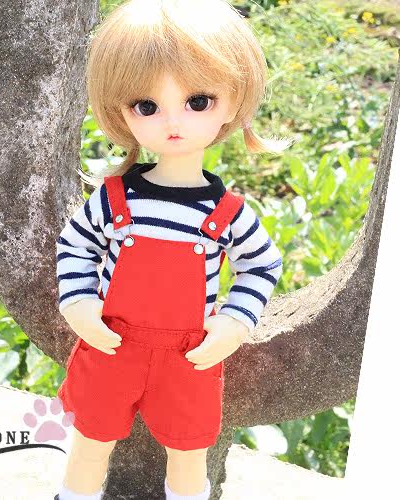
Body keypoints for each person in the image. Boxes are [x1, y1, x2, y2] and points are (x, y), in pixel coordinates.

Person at [55, 1, 290, 498]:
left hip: (189, 357)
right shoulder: (114, 199)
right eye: (147, 106)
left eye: (198, 101)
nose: (173, 121)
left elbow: (261, 263)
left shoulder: (227, 213)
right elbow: (76, 244)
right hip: (111, 345)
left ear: (233, 103)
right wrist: (78, 302)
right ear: (121, 111)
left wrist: (234, 321)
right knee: (90, 442)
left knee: (188, 452)